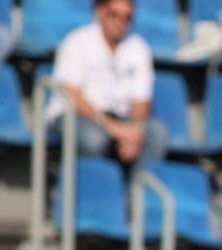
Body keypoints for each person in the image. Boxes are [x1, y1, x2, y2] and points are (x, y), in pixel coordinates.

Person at [49, 0, 168, 166]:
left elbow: (142, 101)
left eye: (128, 17)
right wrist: (112, 128)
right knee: (94, 139)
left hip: (120, 119)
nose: (121, 22)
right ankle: (96, 189)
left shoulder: (138, 47)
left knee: (157, 132)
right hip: (76, 116)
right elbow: (72, 95)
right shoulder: (77, 41)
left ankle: (137, 190)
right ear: (100, 11)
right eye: (115, 15)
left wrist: (134, 131)